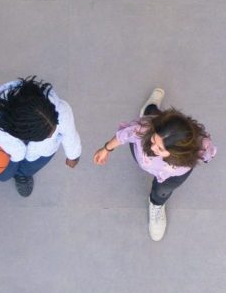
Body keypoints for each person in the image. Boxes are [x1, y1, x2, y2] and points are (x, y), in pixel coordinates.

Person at [93, 88, 216, 241]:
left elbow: (208, 153)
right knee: (150, 117)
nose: (152, 148)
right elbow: (124, 135)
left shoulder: (201, 145)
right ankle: (150, 109)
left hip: (172, 175)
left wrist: (206, 157)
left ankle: (156, 204)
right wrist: (107, 149)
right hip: (143, 160)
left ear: (178, 152)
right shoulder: (143, 129)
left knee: (163, 191)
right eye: (153, 140)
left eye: (160, 148)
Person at [0, 76, 81, 197]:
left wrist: (73, 155)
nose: (52, 136)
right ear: (19, 131)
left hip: (39, 154)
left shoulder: (62, 111)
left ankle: (23, 176)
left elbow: (70, 133)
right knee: (3, 176)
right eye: (44, 136)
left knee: (27, 169)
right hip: (4, 153)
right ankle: (14, 174)